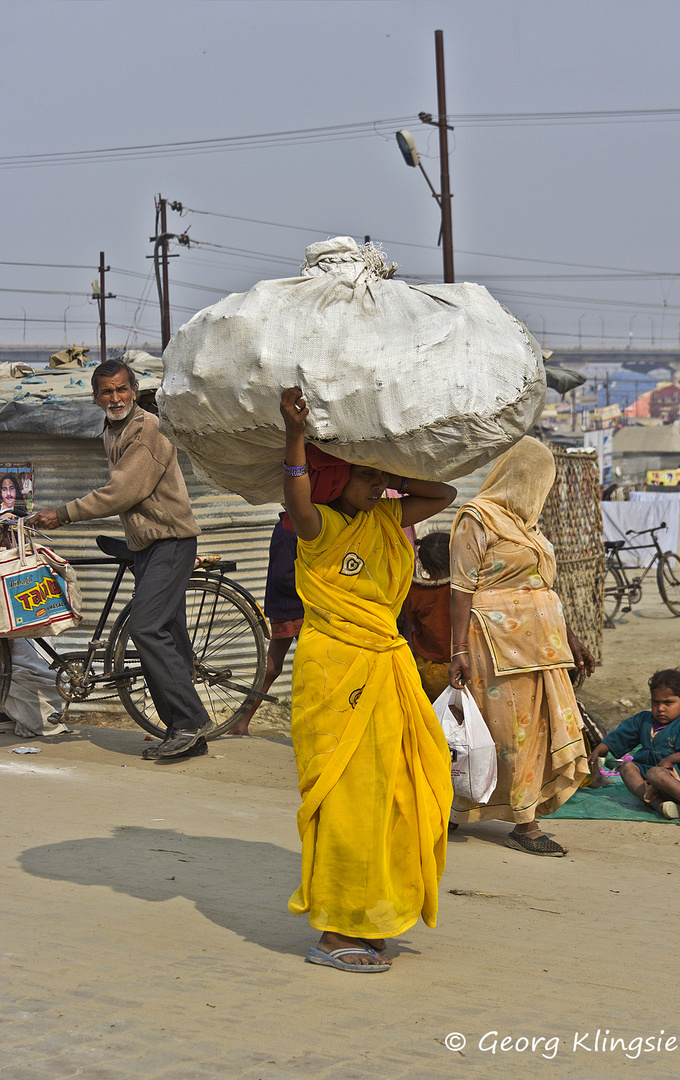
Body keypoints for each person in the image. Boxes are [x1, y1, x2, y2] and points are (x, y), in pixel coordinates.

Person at [281, 386, 455, 972]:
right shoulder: (320, 528)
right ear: (336, 480)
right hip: (334, 675)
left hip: (386, 667)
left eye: (382, 478)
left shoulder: (387, 516)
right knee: (347, 800)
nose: (377, 486)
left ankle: (375, 912)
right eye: (365, 477)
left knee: (396, 795)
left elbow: (445, 491)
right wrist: (297, 435)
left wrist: (392, 466)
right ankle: (335, 931)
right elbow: (297, 494)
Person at [29, 359, 212, 761]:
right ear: (96, 398)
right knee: (169, 633)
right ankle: (187, 731)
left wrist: (62, 513)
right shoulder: (114, 431)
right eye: (107, 392)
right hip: (148, 545)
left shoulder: (145, 431)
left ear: (134, 390)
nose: (115, 398)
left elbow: (120, 492)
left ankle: (188, 722)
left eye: (121, 390)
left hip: (170, 542)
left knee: (146, 630)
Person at [448, 436, 593, 857]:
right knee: (503, 733)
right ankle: (523, 824)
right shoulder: (477, 518)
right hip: (493, 646)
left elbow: (541, 589)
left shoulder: (527, 527)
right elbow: (460, 590)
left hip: (541, 649)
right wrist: (457, 649)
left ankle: (463, 809)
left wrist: (573, 640)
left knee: (535, 730)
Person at [588, 669, 680, 823]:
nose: (660, 708)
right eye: (655, 702)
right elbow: (621, 735)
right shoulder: (643, 720)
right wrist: (600, 749)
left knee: (655, 773)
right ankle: (659, 805)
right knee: (627, 767)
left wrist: (670, 760)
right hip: (654, 781)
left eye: (668, 703)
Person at [226, 511, 304, 736]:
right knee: (315, 664)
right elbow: (284, 577)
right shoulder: (289, 529)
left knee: (272, 668)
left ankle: (240, 724)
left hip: (287, 607)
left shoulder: (292, 525)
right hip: (294, 608)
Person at [403, 531, 452, 701]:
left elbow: (411, 620)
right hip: (462, 666)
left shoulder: (415, 591)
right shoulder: (462, 589)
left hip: (428, 670)